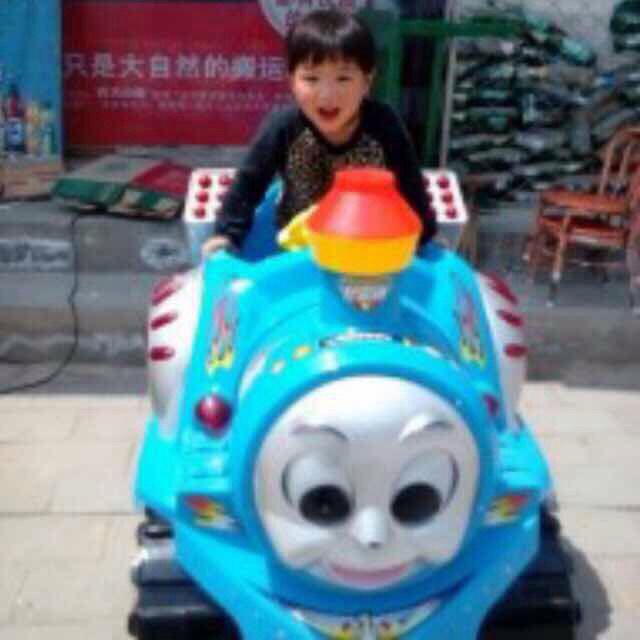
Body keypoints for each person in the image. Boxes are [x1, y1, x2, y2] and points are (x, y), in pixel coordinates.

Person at [202, 8, 437, 256]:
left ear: (367, 82)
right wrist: (226, 235)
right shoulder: (283, 126)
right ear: (292, 81)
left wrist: (425, 240)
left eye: (343, 79)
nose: (327, 95)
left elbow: (410, 185)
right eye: (312, 79)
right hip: (298, 245)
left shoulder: (384, 124)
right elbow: (248, 185)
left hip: (366, 242)